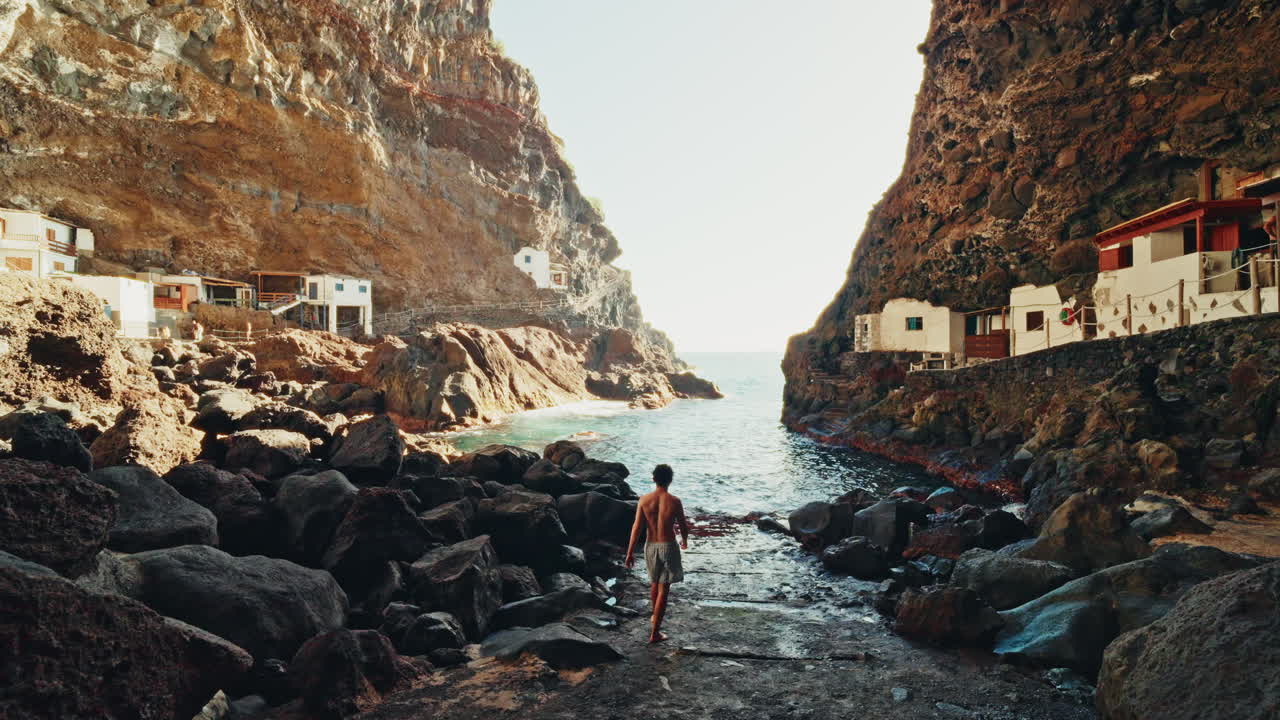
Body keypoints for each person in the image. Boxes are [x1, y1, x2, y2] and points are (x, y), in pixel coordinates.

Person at [625, 463, 689, 644]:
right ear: (670, 480)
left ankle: (655, 616)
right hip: (668, 546)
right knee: (664, 589)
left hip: (650, 545)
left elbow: (636, 528)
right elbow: (683, 526)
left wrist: (629, 552)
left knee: (655, 583)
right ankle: (655, 633)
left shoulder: (644, 500)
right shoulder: (674, 501)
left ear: (654, 479)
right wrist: (684, 541)